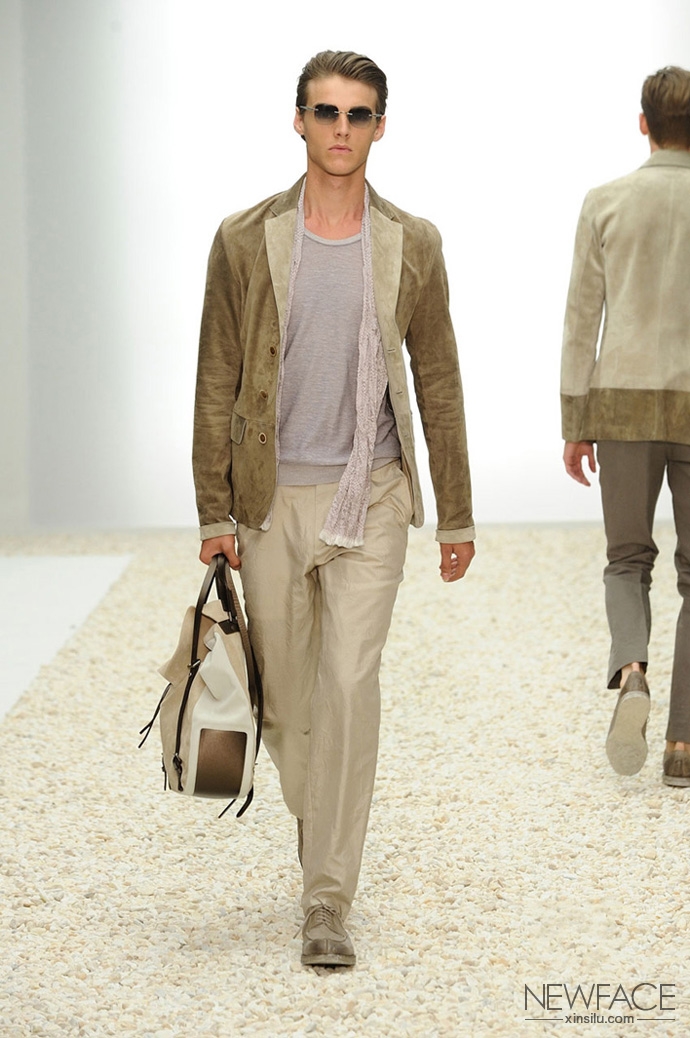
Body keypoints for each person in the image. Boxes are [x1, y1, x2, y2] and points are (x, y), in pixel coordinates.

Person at [193, 50, 475, 967]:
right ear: (299, 120)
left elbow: (437, 380)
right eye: (326, 112)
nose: (342, 129)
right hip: (271, 498)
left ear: (381, 127)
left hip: (373, 490)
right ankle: (322, 827)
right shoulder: (246, 238)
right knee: (285, 706)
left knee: (350, 686)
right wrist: (213, 510)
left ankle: (326, 896)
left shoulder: (413, 242)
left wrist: (457, 513)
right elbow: (216, 376)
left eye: (359, 114)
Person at [561, 66, 690, 788]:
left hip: (621, 405)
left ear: (644, 124)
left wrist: (576, 420)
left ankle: (633, 670)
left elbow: (583, 320)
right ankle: (683, 743)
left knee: (626, 560)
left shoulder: (605, 202)